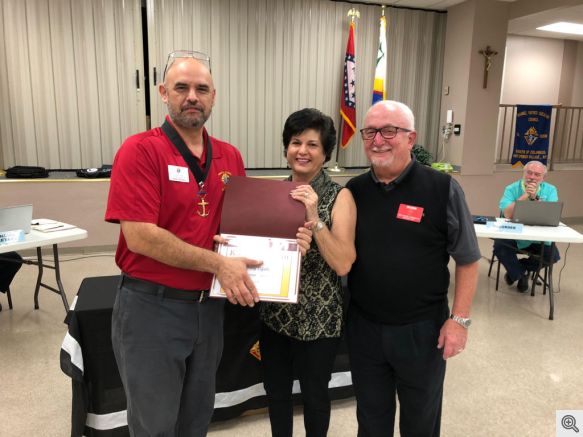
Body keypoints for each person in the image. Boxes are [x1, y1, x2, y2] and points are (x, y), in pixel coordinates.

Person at [105, 51, 311, 436]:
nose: (192, 96)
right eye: (181, 88)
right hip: (152, 308)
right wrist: (218, 265)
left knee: (196, 419)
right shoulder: (140, 150)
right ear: (164, 93)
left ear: (214, 96)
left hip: (208, 312)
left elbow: (245, 228)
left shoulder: (230, 156)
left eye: (202, 89)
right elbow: (140, 236)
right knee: (154, 424)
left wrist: (284, 246)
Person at [345, 100, 481, 437]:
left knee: (420, 422)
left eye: (389, 131)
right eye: (370, 132)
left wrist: (459, 321)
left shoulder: (442, 189)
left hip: (423, 332)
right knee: (371, 421)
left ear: (411, 138)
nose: (378, 140)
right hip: (365, 330)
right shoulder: (354, 192)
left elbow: (467, 258)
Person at [259, 108, 356, 437]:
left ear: (326, 153)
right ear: (286, 148)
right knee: (277, 395)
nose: (302, 150)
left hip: (319, 320)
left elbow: (343, 263)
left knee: (315, 397)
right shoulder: (272, 194)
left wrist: (315, 221)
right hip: (275, 316)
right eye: (295, 142)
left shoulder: (340, 197)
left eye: (313, 144)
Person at [493, 160, 560, 292]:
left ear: (543, 178)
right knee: (499, 246)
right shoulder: (511, 188)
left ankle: (520, 268)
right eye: (529, 173)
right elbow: (507, 214)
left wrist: (535, 197)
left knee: (553, 255)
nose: (532, 177)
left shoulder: (551, 190)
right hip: (514, 235)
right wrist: (525, 196)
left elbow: (549, 214)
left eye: (537, 174)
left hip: (538, 237)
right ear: (524, 173)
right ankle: (520, 276)